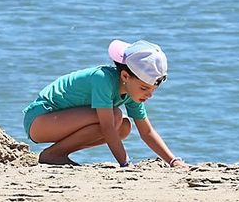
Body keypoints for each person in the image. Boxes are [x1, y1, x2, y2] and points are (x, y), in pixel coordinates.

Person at [23, 40, 185, 168]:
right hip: (40, 120)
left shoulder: (131, 92)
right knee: (115, 117)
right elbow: (107, 126)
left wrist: (173, 161)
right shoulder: (103, 79)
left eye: (153, 90)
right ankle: (53, 155)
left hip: (58, 123)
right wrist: (126, 164)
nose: (149, 95)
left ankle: (55, 154)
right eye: (144, 88)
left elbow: (147, 131)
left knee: (124, 128)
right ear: (125, 76)